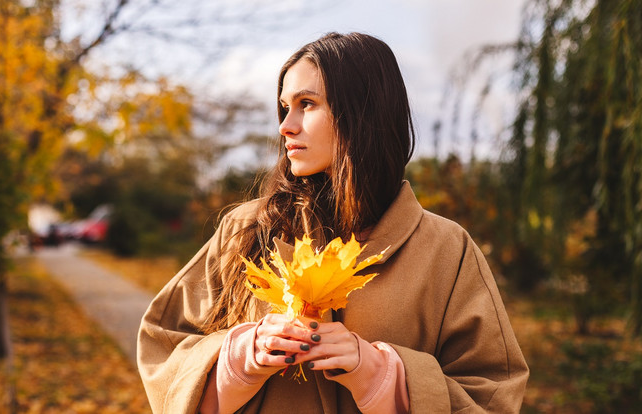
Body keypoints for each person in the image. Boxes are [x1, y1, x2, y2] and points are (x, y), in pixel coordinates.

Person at [137, 32, 529, 413]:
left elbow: (491, 393)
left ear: (362, 112)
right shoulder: (244, 229)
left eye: (307, 104)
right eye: (285, 106)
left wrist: (381, 375)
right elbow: (162, 349)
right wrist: (239, 357)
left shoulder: (447, 249)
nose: (285, 126)